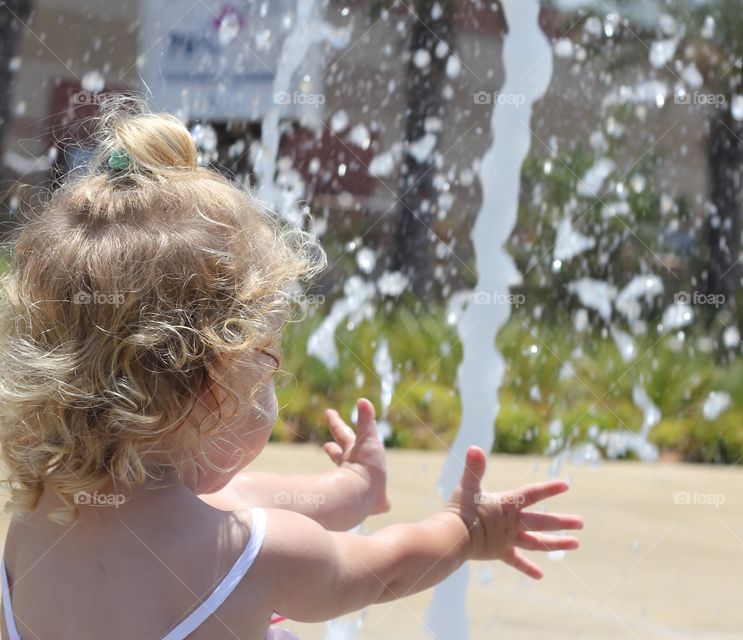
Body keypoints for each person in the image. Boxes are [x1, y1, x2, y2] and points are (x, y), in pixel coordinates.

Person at [0, 104, 583, 639]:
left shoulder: (28, 534)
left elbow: (235, 495)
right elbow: (383, 569)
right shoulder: (256, 555)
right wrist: (465, 529)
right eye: (269, 365)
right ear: (215, 384)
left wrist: (351, 491)